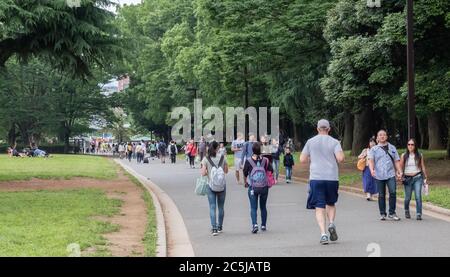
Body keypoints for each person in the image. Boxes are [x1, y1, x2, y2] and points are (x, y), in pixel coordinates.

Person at [300, 119, 345, 245]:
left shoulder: (310, 142)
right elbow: (340, 158)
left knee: (319, 207)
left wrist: (312, 158)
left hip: (316, 177)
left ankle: (323, 234)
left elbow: (302, 159)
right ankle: (331, 223)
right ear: (329, 129)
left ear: (317, 129)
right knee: (330, 203)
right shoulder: (335, 142)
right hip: (331, 177)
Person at [368, 129, 403, 221]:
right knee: (381, 194)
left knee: (393, 192)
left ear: (387, 137)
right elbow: (371, 160)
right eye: (380, 135)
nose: (382, 136)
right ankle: (382, 213)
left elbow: (396, 161)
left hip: (390, 174)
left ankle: (392, 212)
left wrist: (400, 171)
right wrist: (372, 170)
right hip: (379, 175)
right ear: (377, 138)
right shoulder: (374, 149)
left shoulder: (392, 148)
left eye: (384, 135)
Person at [243, 142, 273, 234]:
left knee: (253, 207)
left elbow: (244, 173)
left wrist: (245, 183)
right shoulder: (265, 160)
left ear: (252, 150)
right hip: (264, 187)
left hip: (253, 187)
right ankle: (263, 225)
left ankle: (255, 224)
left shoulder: (248, 160)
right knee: (263, 206)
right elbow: (271, 171)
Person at [201, 141, 229, 236]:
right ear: (217, 148)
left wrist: (210, 172)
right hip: (221, 185)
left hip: (211, 185)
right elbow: (226, 171)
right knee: (221, 207)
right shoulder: (222, 157)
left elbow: (203, 173)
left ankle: (214, 228)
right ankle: (220, 226)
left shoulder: (206, 158)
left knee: (212, 207)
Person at [399, 138, 428, 220]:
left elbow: (422, 166)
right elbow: (400, 167)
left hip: (417, 177)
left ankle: (419, 214)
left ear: (415, 146)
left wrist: (425, 176)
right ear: (407, 146)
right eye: (409, 144)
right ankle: (406, 210)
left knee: (418, 196)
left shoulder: (419, 155)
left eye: (412, 144)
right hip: (407, 179)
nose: (410, 146)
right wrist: (400, 175)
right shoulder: (404, 155)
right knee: (407, 197)